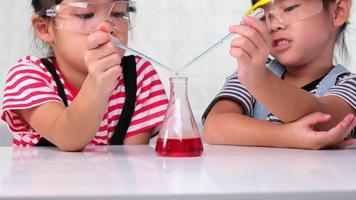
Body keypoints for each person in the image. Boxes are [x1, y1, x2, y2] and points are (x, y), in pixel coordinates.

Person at [1, 0, 168, 151]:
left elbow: (132, 162)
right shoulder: (28, 76)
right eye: (85, 14)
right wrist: (97, 85)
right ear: (44, 28)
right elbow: (67, 138)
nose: (107, 26)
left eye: (118, 13)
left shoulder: (139, 76)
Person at [203, 0, 356, 149]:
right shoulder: (250, 74)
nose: (274, 25)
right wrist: (285, 136)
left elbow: (324, 121)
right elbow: (214, 126)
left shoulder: (350, 84)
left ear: (338, 11)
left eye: (290, 8)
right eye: (264, 16)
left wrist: (260, 81)